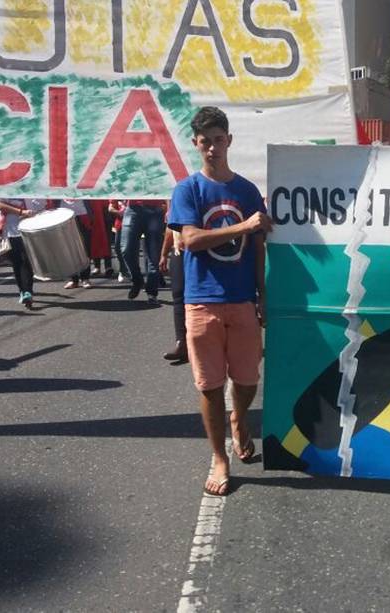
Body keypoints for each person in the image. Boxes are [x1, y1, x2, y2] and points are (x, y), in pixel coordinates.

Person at [168, 106, 272, 496]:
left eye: (218, 139)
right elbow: (191, 239)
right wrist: (244, 224)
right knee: (209, 385)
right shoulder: (187, 189)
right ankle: (219, 458)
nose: (212, 147)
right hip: (202, 301)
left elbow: (258, 247)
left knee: (247, 380)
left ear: (229, 140)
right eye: (204, 141)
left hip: (243, 299)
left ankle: (239, 418)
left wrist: (263, 293)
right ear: (195, 145)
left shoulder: (245, 190)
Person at [0, 197, 46, 308]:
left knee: (26, 260)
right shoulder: (1, 186)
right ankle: (22, 290)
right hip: (10, 230)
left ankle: (28, 291)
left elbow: (40, 203)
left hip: (29, 228)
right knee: (16, 263)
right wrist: (21, 211)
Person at [122, 198, 166, 304]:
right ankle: (137, 280)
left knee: (153, 254)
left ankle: (152, 292)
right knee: (126, 249)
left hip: (155, 210)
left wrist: (169, 208)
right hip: (133, 208)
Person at [159, 217, 187, 363]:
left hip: (208, 251)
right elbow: (171, 226)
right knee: (179, 296)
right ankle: (181, 343)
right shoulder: (177, 196)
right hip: (180, 250)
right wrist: (164, 254)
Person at [57, 198, 92, 289]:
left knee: (84, 248)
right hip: (64, 216)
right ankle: (73, 279)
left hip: (82, 215)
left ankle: (85, 278)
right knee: (68, 249)